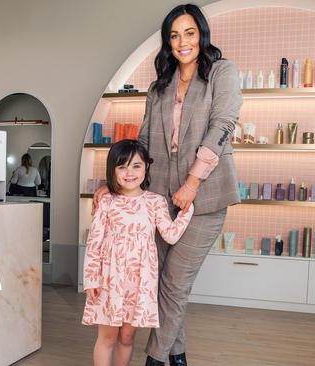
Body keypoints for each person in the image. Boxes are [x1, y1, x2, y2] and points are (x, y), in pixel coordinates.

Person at [92, 5, 242, 366]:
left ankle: (154, 360)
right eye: (174, 35)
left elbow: (222, 126)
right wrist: (110, 185)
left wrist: (192, 183)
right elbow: (142, 143)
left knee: (175, 284)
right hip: (157, 200)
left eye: (189, 33)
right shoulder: (159, 87)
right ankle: (178, 358)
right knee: (158, 284)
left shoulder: (223, 72)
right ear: (167, 41)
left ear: (201, 35)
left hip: (203, 199)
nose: (182, 42)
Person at [83, 140, 193, 366]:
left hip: (140, 281)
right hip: (109, 280)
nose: (129, 173)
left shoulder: (155, 202)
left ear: (146, 167)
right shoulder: (107, 202)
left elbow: (170, 235)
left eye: (136, 166)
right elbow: (94, 243)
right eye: (122, 167)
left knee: (126, 336)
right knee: (108, 336)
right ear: (112, 170)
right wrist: (91, 279)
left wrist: (187, 210)